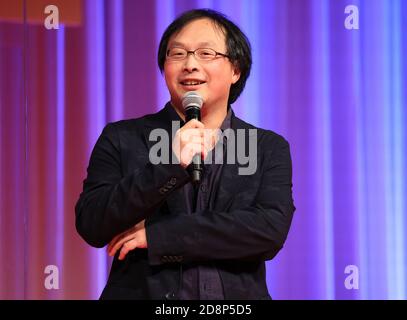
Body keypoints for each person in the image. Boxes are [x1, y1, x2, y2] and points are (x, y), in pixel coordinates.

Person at [75, 8, 295, 300]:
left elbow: (268, 230)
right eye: (177, 54)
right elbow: (92, 222)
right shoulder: (122, 137)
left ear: (236, 70)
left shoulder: (266, 147)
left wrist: (158, 236)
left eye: (206, 53)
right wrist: (168, 165)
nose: (190, 64)